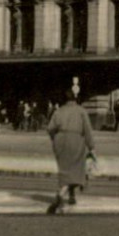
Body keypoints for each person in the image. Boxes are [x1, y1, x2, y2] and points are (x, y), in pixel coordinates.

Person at [45, 81, 95, 214]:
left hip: (60, 141)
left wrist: (55, 139)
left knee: (65, 170)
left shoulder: (58, 111)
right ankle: (61, 195)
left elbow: (50, 128)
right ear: (75, 98)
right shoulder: (81, 111)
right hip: (76, 141)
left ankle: (70, 195)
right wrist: (91, 147)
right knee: (76, 170)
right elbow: (87, 130)